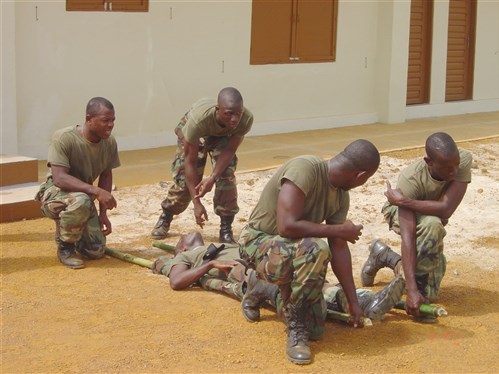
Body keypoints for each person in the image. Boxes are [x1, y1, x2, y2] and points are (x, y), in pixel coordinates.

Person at [238, 139, 381, 365]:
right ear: (361, 175)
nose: (362, 184)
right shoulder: (305, 168)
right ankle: (296, 331)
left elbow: (339, 246)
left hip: (292, 252)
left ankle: (261, 287)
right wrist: (338, 230)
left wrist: (353, 301)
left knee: (318, 330)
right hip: (257, 243)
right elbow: (286, 225)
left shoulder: (341, 197)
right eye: (366, 180)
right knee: (316, 248)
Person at [152, 232, 405, 324]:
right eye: (183, 239)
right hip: (240, 271)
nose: (189, 234)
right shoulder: (184, 258)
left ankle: (361, 300)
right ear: (181, 249)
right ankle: (355, 301)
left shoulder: (214, 243)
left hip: (255, 260)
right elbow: (176, 281)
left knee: (303, 275)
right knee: (282, 286)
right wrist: (210, 264)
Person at [360, 132, 472, 321]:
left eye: (456, 165)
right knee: (432, 225)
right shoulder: (410, 180)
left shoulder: (462, 160)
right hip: (398, 210)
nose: (454, 171)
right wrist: (412, 291)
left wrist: (405, 201)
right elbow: (408, 236)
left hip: (422, 208)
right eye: (447, 168)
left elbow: (446, 209)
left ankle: (385, 256)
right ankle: (419, 295)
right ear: (429, 162)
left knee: (432, 226)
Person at [151, 87, 253, 243]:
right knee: (186, 181)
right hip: (197, 131)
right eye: (229, 113)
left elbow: (230, 149)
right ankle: (167, 215)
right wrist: (197, 203)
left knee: (226, 172)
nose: (234, 119)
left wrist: (212, 178)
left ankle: (226, 228)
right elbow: (190, 162)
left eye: (237, 113)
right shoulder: (197, 121)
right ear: (218, 110)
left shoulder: (245, 119)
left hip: (223, 136)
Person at [35, 97, 120, 269]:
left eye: (112, 120)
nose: (110, 125)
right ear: (89, 119)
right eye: (105, 120)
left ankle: (76, 230)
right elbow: (60, 178)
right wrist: (95, 190)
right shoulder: (64, 138)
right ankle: (65, 247)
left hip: (83, 197)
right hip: (55, 193)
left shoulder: (109, 142)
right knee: (81, 200)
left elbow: (105, 175)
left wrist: (103, 214)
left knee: (95, 251)